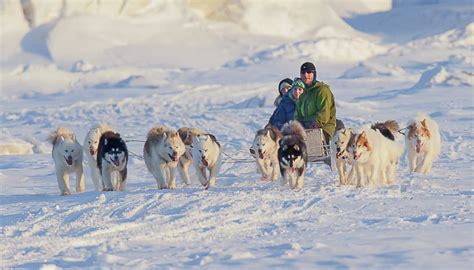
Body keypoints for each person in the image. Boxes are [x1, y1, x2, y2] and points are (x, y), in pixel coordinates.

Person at [294, 62, 336, 142]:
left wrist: (313, 126)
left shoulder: (322, 90)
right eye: (303, 73)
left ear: (314, 74)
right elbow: (298, 114)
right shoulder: (303, 93)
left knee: (310, 141)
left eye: (309, 72)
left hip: (322, 128)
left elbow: (324, 114)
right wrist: (297, 126)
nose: (306, 75)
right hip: (306, 128)